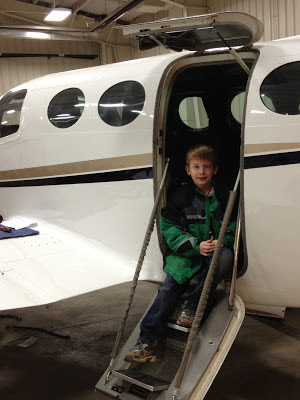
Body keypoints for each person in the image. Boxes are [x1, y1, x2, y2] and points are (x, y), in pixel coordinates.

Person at [124, 145, 236, 363]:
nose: (201, 172)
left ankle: (191, 305)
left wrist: (221, 241)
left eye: (206, 167)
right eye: (196, 167)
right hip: (186, 255)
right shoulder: (180, 197)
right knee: (167, 288)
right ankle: (146, 341)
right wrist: (196, 245)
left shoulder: (225, 196)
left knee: (224, 257)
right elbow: (168, 228)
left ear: (215, 170)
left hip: (215, 250)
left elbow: (234, 224)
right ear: (188, 170)